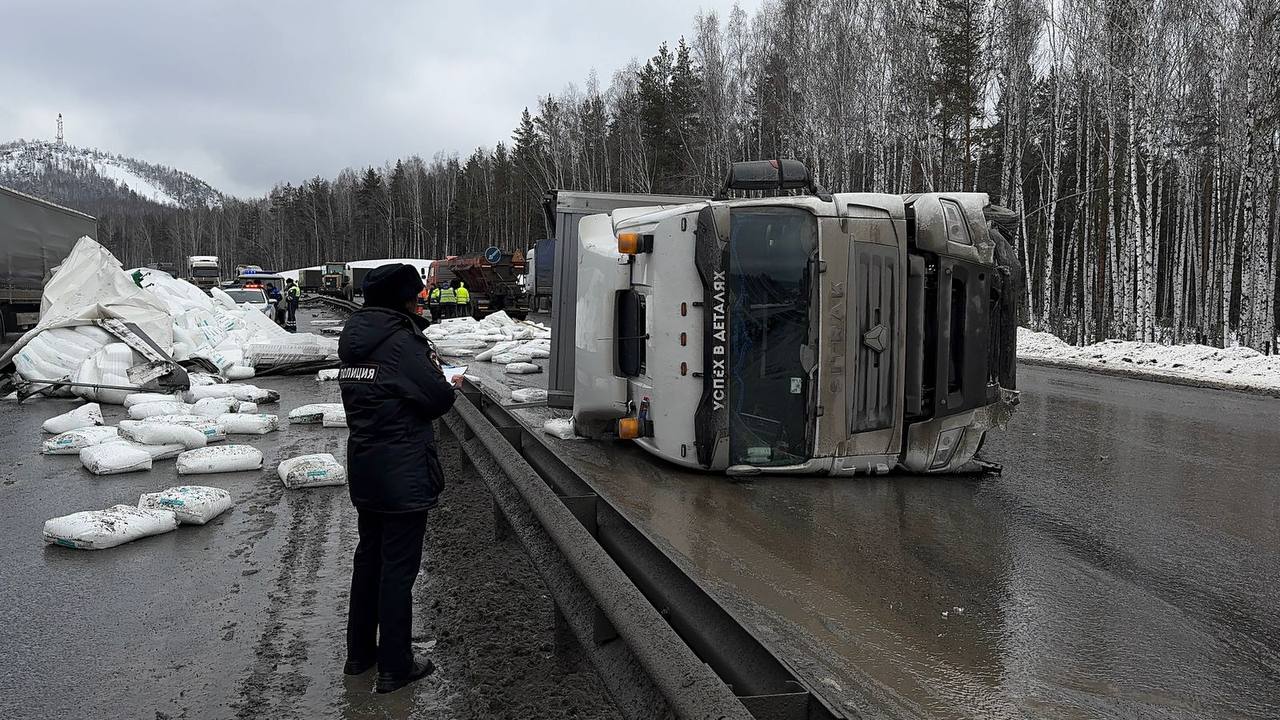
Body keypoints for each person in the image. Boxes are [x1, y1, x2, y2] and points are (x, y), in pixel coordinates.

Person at [337, 263, 463, 694]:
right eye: (415, 295)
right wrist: (450, 382)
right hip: (402, 468)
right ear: (403, 299)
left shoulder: (354, 341)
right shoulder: (401, 342)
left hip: (365, 464)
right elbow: (437, 397)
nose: (419, 301)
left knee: (368, 558)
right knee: (398, 570)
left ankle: (360, 655)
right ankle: (395, 665)